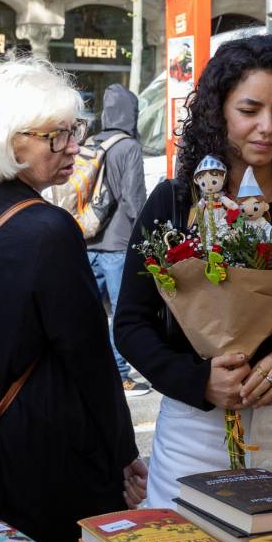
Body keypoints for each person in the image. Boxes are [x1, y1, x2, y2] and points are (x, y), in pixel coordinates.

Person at [115, 35, 272, 507]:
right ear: (218, 112)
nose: (267, 127)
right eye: (250, 110)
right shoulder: (173, 202)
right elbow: (130, 323)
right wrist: (197, 379)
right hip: (196, 430)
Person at [0, 55, 144, 542]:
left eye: (74, 130)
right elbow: (88, 358)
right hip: (34, 453)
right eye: (56, 136)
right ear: (11, 139)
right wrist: (123, 453)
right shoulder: (48, 229)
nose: (74, 147)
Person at [86, 83, 151, 396]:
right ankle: (121, 374)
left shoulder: (90, 142)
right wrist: (147, 234)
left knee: (88, 309)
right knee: (122, 312)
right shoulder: (129, 147)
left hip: (87, 240)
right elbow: (133, 199)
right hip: (118, 243)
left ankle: (92, 366)